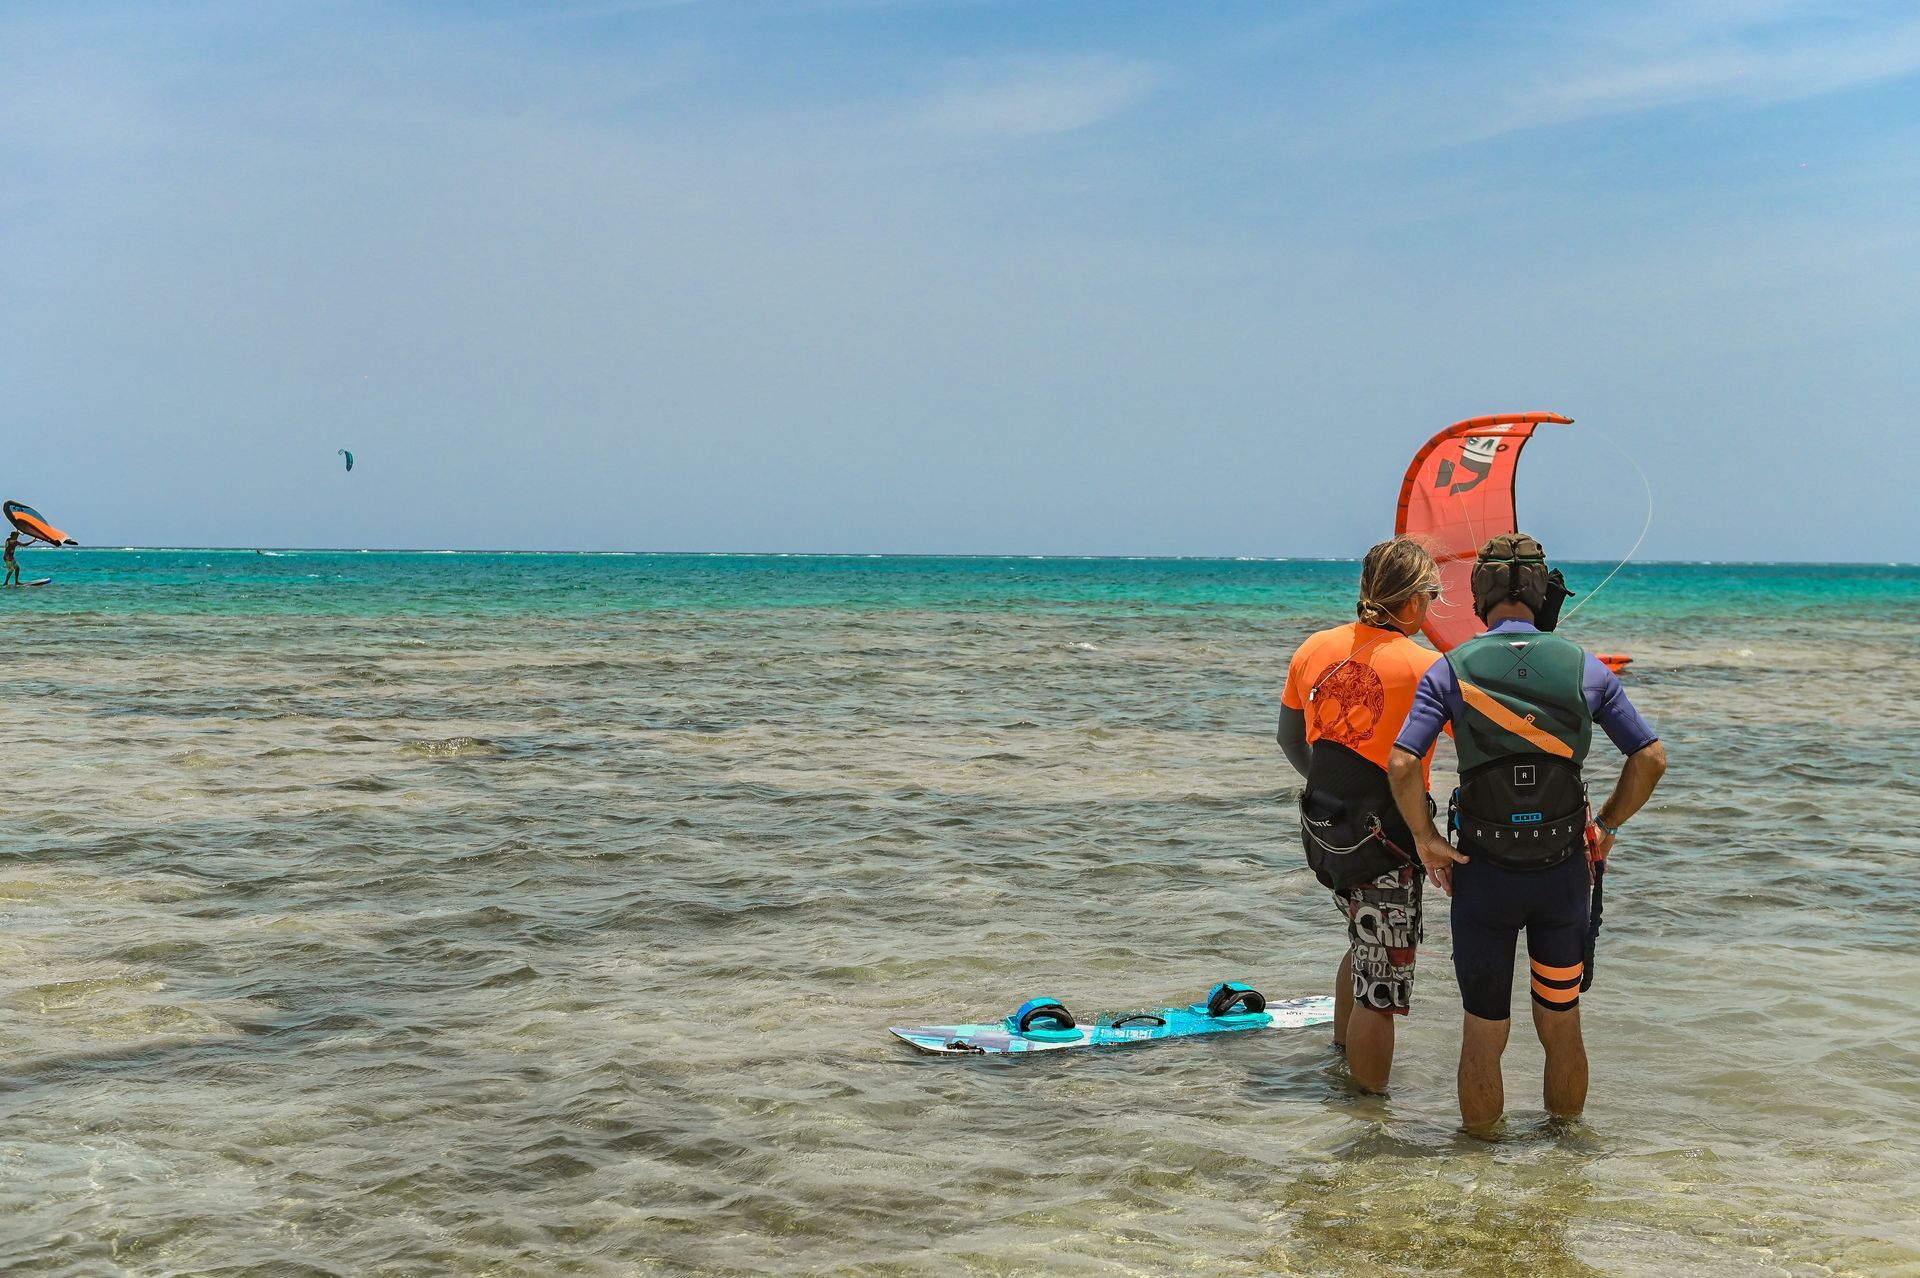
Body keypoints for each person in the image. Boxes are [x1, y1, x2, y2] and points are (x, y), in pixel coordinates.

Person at [1387, 533, 1668, 1133]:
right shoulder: (1585, 667)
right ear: (1543, 594)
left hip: (1483, 878)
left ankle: (1480, 1167)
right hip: (1562, 877)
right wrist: (1606, 826)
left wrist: (1425, 838)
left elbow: (1404, 764)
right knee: (1561, 1024)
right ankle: (1564, 1170)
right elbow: (1649, 759)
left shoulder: (1449, 669)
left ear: (1478, 596)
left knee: (1482, 1034)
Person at [1279, 536, 1443, 1092]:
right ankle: (1368, 1114)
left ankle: (1340, 1064)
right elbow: (1474, 749)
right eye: (1432, 595)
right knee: (1384, 987)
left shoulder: (1312, 647)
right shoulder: (1429, 667)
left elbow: (1290, 740)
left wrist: (1337, 791)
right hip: (1386, 844)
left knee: (1363, 941)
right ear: (1413, 600)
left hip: (1325, 832)